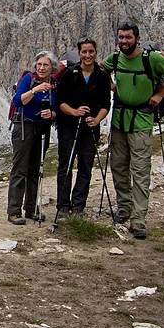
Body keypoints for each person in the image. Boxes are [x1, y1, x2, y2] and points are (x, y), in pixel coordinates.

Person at [103, 21, 164, 239]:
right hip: (119, 120)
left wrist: (161, 94)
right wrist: (112, 87)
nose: (124, 41)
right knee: (119, 166)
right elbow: (102, 68)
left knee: (140, 170)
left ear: (136, 38)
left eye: (128, 37)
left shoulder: (152, 59)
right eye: (121, 37)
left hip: (141, 120)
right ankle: (124, 208)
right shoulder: (115, 58)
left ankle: (138, 219)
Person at [55, 38, 110, 220]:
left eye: (91, 52)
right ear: (79, 54)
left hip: (90, 127)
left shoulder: (102, 76)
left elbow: (105, 104)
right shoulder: (70, 74)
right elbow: (60, 102)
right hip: (68, 126)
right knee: (66, 165)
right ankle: (63, 205)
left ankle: (78, 205)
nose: (88, 55)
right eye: (84, 52)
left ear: (95, 53)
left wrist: (97, 119)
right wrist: (74, 112)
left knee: (85, 165)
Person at [7, 51, 58, 225]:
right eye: (39, 65)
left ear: (52, 68)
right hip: (24, 126)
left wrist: (51, 113)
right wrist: (35, 90)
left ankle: (31, 209)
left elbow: (56, 108)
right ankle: (14, 211)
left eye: (46, 65)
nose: (42, 68)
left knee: (36, 169)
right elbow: (17, 101)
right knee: (20, 168)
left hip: (42, 129)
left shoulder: (54, 84)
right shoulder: (29, 79)